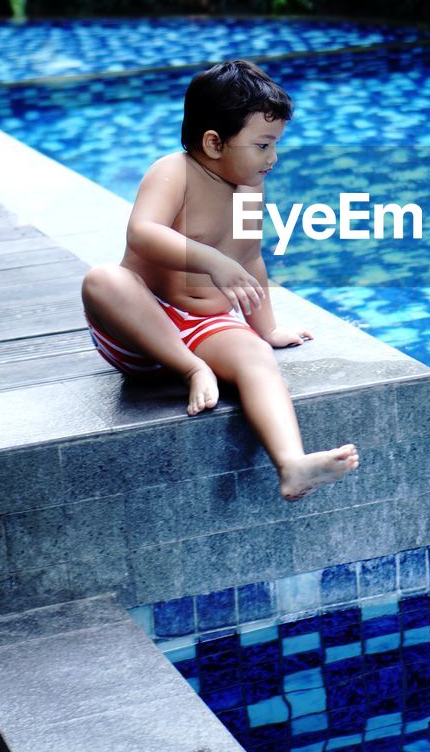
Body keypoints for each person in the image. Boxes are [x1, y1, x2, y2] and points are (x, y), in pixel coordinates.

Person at [81, 59, 359, 502]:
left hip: (206, 329)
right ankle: (192, 370)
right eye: (263, 145)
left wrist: (265, 328)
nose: (273, 158)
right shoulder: (175, 172)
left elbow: (250, 258)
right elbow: (143, 232)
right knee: (102, 280)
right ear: (214, 142)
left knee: (255, 356)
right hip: (143, 321)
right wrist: (209, 258)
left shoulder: (250, 189)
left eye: (275, 145)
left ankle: (291, 463)